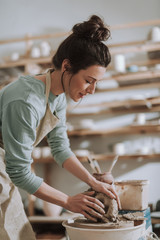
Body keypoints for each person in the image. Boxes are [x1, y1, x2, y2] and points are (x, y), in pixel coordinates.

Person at [0, 15, 120, 239]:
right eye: (88, 80)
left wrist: (92, 181)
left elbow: (60, 148)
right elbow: (20, 172)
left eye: (96, 83)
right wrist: (68, 201)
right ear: (66, 66)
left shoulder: (58, 96)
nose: (91, 90)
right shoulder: (26, 101)